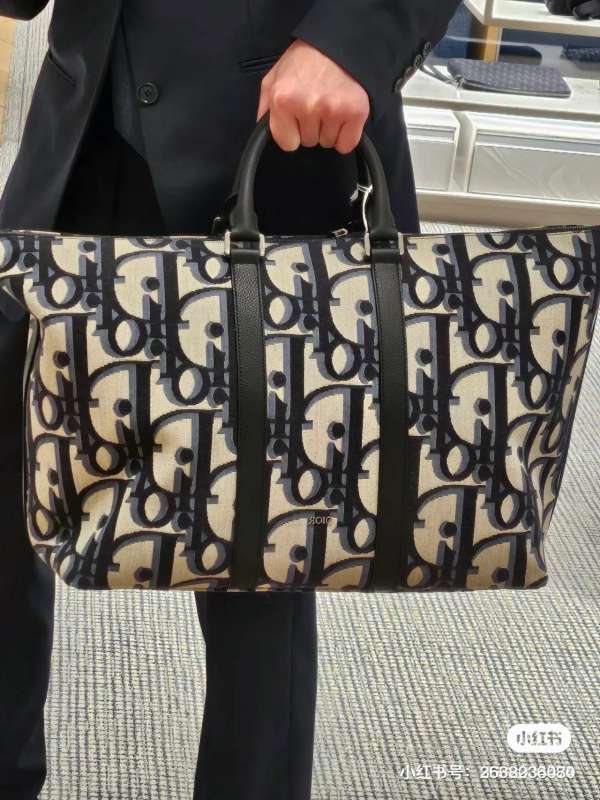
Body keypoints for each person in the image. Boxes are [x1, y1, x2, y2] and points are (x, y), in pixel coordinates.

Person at [0, 1, 462, 798]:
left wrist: (354, 39)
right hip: (81, 122)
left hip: (273, 128)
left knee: (260, 539)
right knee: (9, 471)